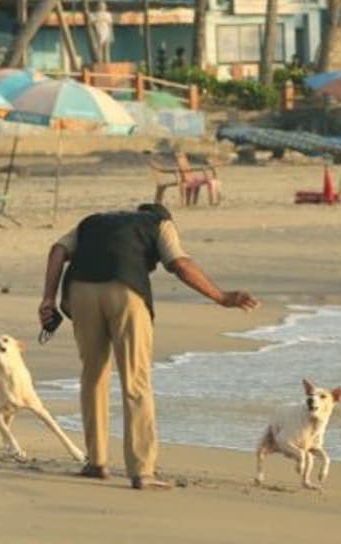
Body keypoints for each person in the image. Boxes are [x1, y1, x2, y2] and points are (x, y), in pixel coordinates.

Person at [38, 204, 259, 490]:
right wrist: (222, 297)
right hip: (126, 290)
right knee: (135, 379)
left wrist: (48, 298)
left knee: (93, 375)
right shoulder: (159, 222)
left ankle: (96, 462)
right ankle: (142, 471)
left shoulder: (93, 221)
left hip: (80, 290)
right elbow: (179, 263)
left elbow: (58, 250)